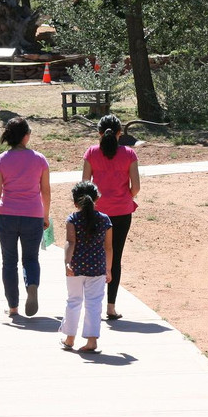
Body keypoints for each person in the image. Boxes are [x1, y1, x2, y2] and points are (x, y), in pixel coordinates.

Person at [0, 117, 51, 317]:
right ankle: (32, 285)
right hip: (33, 215)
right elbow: (46, 191)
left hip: (7, 216)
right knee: (31, 258)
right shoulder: (39, 159)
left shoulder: (0, 160)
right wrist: (45, 215)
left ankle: (13, 306)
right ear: (25, 136)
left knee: (9, 261)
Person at [82, 114, 139, 320]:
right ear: (119, 133)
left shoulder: (91, 153)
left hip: (97, 211)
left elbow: (85, 187)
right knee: (115, 257)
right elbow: (136, 187)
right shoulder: (129, 154)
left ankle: (92, 305)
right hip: (122, 212)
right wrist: (124, 198)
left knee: (94, 255)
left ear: (99, 132)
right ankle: (111, 307)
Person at [60, 181, 112, 353]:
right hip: (97, 267)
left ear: (75, 203)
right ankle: (91, 341)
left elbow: (70, 242)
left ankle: (69, 339)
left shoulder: (73, 219)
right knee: (94, 303)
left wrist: (67, 262)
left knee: (74, 301)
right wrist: (108, 269)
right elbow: (108, 247)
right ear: (96, 198)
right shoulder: (105, 220)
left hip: (75, 267)